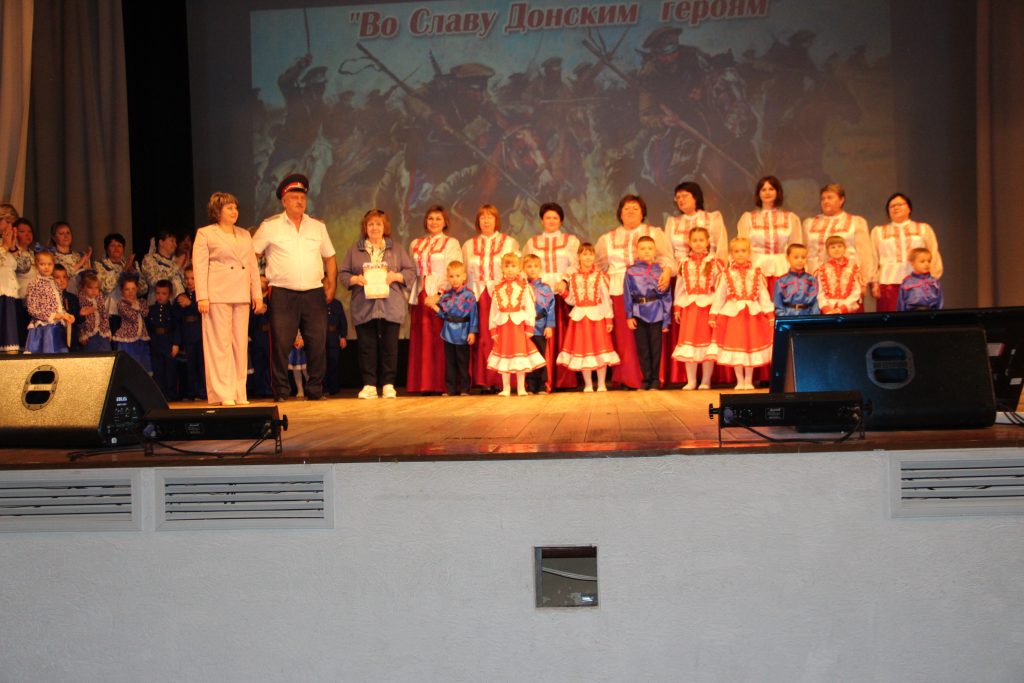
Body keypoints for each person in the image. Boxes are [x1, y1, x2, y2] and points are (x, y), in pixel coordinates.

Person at [252, 173, 337, 402]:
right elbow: (251, 255)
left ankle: (315, 390)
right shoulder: (270, 226)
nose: (299, 201)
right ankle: (281, 391)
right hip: (282, 292)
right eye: (294, 197)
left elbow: (330, 257)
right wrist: (257, 280)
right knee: (280, 343)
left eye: (302, 197)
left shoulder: (317, 226)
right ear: (284, 201)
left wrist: (331, 285)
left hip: (313, 292)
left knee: (317, 343)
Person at [192, 192, 265, 407]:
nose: (234, 212)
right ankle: (223, 392)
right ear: (218, 211)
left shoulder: (244, 234)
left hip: (240, 294)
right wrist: (202, 296)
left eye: (235, 208)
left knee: (240, 345)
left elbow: (252, 266)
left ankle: (239, 391)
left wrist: (257, 295)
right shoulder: (206, 233)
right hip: (217, 294)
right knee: (220, 344)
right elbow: (199, 266)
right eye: (229, 208)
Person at [596, 194, 675, 389]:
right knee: (627, 340)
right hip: (620, 291)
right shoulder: (607, 238)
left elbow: (668, 260)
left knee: (652, 340)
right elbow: (598, 266)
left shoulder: (654, 233)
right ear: (620, 213)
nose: (630, 211)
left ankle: (652, 379)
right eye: (626, 208)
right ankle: (629, 379)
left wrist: (666, 272)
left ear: (642, 213)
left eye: (635, 208)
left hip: (650, 292)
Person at [339, 208, 415, 399]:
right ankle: (369, 385)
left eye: (378, 224)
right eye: (371, 224)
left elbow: (410, 271)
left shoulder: (396, 248)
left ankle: (388, 384)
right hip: (364, 305)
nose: (374, 227)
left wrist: (396, 276)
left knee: (390, 347)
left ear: (385, 227)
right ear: (365, 227)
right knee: (367, 347)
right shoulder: (355, 250)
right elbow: (343, 273)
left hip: (391, 305)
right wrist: (355, 279)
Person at [523, 202, 580, 390]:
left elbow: (575, 264)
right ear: (541, 220)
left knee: (561, 336)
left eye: (555, 217)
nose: (551, 221)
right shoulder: (532, 242)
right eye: (548, 217)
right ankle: (540, 381)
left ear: (561, 221)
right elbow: (525, 266)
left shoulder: (571, 240)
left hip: (561, 294)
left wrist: (564, 280)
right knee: (539, 339)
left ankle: (563, 380)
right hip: (538, 296)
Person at [406, 205, 462, 394]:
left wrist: (439, 294)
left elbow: (454, 269)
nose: (434, 222)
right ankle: (424, 384)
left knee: (440, 339)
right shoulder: (416, 243)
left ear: (445, 222)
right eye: (430, 218)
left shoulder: (451, 243)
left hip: (441, 295)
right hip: (420, 293)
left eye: (438, 218)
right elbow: (411, 270)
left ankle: (441, 384)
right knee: (422, 339)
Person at [707, 237, 774, 390]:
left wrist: (769, 313)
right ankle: (739, 380)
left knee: (750, 346)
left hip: (752, 316)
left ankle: (749, 380)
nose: (740, 254)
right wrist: (713, 314)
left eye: (743, 251)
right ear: (731, 254)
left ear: (749, 253)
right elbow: (720, 296)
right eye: (737, 251)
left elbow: (763, 295)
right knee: (736, 347)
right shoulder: (726, 274)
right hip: (733, 316)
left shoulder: (756, 273)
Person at [463, 204, 518, 390]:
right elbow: (464, 273)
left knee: (500, 336)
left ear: (496, 220)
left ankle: (502, 381)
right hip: (476, 296)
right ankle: (483, 380)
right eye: (482, 217)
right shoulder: (468, 245)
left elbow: (516, 270)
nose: (486, 221)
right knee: (481, 337)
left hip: (501, 296)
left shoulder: (509, 242)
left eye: (490, 217)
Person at [558, 242, 620, 392]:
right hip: (580, 318)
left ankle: (602, 384)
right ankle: (588, 384)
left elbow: (606, 299)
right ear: (578, 256)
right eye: (584, 254)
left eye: (590, 254)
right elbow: (572, 300)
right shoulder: (573, 277)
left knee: (600, 349)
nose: (588, 257)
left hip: (597, 316)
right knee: (583, 351)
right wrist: (563, 293)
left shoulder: (600, 276)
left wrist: (609, 319)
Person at [870, 193, 943, 312]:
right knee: (891, 318)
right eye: (892, 206)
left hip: (919, 283)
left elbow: (933, 253)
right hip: (889, 283)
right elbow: (873, 258)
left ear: (909, 208)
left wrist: (932, 280)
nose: (896, 208)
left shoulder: (924, 229)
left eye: (900, 204)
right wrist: (874, 283)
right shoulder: (878, 231)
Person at [802, 183, 875, 301]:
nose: (825, 201)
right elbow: (804, 251)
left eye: (830, 198)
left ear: (841, 200)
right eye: (823, 199)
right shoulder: (809, 223)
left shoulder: (856, 222)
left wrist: (864, 281)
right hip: (815, 280)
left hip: (847, 282)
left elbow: (865, 254)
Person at [487, 252, 546, 397]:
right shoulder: (497, 288)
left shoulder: (524, 287)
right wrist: (493, 330)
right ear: (502, 268)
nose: (510, 269)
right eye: (507, 266)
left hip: (518, 327)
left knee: (520, 357)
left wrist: (530, 327)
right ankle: (506, 388)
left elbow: (530, 308)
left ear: (519, 268)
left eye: (513, 266)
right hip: (503, 327)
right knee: (504, 356)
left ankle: (521, 387)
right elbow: (493, 310)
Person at [672, 227, 722, 390]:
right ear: (689, 243)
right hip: (690, 309)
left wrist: (717, 309)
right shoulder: (684, 264)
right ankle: (691, 380)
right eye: (695, 240)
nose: (698, 243)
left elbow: (720, 287)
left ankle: (706, 380)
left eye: (701, 240)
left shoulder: (714, 262)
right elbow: (680, 287)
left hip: (708, 307)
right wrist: (677, 307)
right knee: (689, 346)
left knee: (707, 345)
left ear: (707, 242)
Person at [736, 176, 802, 296]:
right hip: (756, 269)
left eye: (771, 189)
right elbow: (741, 246)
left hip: (783, 269)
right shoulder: (748, 218)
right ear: (758, 193)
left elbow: (796, 248)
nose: (767, 192)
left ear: (777, 192)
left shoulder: (791, 218)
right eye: (763, 189)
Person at [624, 236, 673, 390]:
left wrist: (666, 320)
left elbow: (666, 296)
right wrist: (629, 316)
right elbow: (627, 294)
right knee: (643, 348)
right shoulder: (631, 271)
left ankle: (655, 380)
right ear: (637, 251)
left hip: (656, 313)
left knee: (656, 348)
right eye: (643, 248)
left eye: (650, 248)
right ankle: (646, 380)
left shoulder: (661, 271)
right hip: (639, 313)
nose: (646, 251)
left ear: (655, 251)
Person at [433, 261, 478, 396]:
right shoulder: (446, 296)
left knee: (463, 362)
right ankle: (450, 389)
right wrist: (433, 306)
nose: (455, 279)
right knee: (450, 362)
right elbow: (443, 314)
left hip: (463, 332)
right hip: (448, 332)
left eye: (458, 276)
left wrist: (472, 332)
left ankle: (464, 388)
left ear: (464, 277)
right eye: (451, 276)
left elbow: (474, 315)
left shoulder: (469, 295)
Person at [24, 250, 73, 354]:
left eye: (49, 264)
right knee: (46, 354)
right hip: (44, 329)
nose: (46, 267)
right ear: (36, 265)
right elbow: (32, 309)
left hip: (57, 327)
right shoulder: (34, 284)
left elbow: (59, 305)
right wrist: (53, 315)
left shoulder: (55, 284)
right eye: (42, 264)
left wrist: (65, 315)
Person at [523, 253, 555, 394]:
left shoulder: (546, 288)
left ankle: (542, 385)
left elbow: (551, 308)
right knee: (529, 356)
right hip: (526, 328)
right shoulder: (522, 287)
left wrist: (549, 326)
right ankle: (531, 385)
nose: (533, 269)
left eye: (535, 266)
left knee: (541, 356)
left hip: (541, 326)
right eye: (529, 266)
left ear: (540, 268)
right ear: (524, 269)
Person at [96, 232, 145, 319]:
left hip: (130, 310)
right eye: (112, 245)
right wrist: (123, 271)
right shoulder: (99, 265)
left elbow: (144, 289)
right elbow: (106, 287)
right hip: (111, 311)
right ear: (106, 249)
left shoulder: (132, 264)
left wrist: (133, 273)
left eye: (119, 245)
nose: (116, 248)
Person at [146, 280, 180, 400]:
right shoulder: (151, 309)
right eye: (158, 293)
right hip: (156, 342)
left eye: (164, 293)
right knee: (158, 369)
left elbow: (177, 327)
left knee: (170, 369)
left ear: (170, 294)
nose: (160, 296)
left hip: (168, 342)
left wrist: (176, 343)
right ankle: (160, 395)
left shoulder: (173, 310)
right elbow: (149, 327)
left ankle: (171, 394)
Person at [111, 277, 151, 372]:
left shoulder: (142, 302)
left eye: (133, 289)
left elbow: (145, 313)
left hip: (141, 339)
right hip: (127, 340)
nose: (130, 292)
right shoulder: (121, 303)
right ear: (122, 291)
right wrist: (134, 305)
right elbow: (133, 317)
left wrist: (135, 304)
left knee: (142, 367)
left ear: (137, 289)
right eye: (127, 289)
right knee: (129, 367)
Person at [815, 235, 862, 314]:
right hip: (828, 311)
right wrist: (827, 309)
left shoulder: (853, 269)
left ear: (845, 248)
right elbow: (820, 293)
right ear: (827, 251)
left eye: (839, 246)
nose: (836, 249)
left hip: (848, 310)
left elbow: (856, 292)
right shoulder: (822, 270)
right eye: (833, 247)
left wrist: (841, 309)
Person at [773, 243, 820, 317]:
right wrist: (784, 318)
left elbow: (815, 302)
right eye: (796, 257)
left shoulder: (812, 280)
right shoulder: (781, 281)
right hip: (788, 316)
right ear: (788, 258)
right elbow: (778, 305)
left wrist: (814, 318)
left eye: (803, 257)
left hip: (807, 316)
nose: (800, 260)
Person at [141, 230, 185, 303]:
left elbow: (185, 284)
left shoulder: (175, 261)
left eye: (175, 242)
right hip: (158, 304)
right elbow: (154, 281)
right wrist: (176, 268)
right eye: (172, 241)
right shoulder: (150, 259)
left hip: (177, 305)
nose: (175, 245)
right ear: (161, 242)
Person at [247, 275, 273, 399]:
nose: (262, 282)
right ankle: (260, 389)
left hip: (269, 335)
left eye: (264, 280)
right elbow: (248, 321)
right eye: (260, 280)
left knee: (270, 362)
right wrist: (256, 313)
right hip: (257, 334)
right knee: (258, 362)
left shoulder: (272, 298)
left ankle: (270, 388)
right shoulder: (253, 300)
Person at [49, 221, 91, 294]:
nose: (66, 236)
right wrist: (80, 264)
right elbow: (60, 276)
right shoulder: (50, 256)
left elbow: (90, 280)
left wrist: (87, 268)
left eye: (68, 233)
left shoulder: (80, 255)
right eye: (61, 234)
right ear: (54, 238)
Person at [76, 271, 112, 352]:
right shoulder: (81, 300)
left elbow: (104, 315)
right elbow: (80, 322)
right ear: (83, 288)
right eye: (90, 288)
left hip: (102, 333)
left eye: (96, 288)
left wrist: (107, 331)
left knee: (105, 353)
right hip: (89, 335)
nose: (94, 291)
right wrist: (82, 335)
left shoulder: (99, 298)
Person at [324, 289, 349, 397]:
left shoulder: (337, 304)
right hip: (321, 338)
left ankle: (334, 388)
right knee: (322, 364)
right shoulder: (318, 303)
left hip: (333, 338)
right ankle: (324, 388)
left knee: (334, 363)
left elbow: (343, 321)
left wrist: (343, 336)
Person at [0, 215, 18, 353]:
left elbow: (18, 266)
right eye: (5, 223)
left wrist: (12, 247)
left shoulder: (5, 244)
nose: (8, 228)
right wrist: (5, 247)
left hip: (8, 293)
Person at [52, 265, 80, 350]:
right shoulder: (50, 298)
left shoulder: (72, 297)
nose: (62, 280)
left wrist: (80, 314)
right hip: (56, 336)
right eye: (57, 277)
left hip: (71, 338)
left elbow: (78, 319)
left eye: (64, 277)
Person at [289, 332, 308, 398]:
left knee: (305, 369)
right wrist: (292, 340)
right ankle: (300, 390)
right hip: (293, 344)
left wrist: (303, 340)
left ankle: (311, 388)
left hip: (304, 343)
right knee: (296, 368)